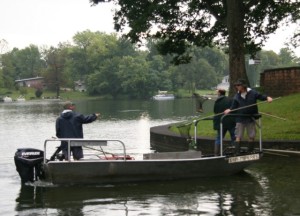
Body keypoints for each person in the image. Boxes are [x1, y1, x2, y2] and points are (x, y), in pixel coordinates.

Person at [224, 79, 272, 153]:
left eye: (238, 85)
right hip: (240, 118)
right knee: (238, 136)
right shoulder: (237, 96)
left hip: (250, 118)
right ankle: (237, 152)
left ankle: (250, 151)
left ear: (243, 86)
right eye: (236, 85)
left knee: (251, 136)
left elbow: (261, 96)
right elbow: (233, 107)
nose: (237, 87)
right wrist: (229, 110)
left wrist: (267, 98)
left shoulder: (252, 93)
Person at [213, 89, 236, 155]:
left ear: (220, 93)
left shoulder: (217, 101)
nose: (217, 94)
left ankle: (216, 154)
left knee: (219, 138)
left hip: (221, 122)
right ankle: (234, 152)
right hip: (231, 122)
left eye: (217, 92)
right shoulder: (230, 100)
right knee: (234, 137)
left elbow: (215, 111)